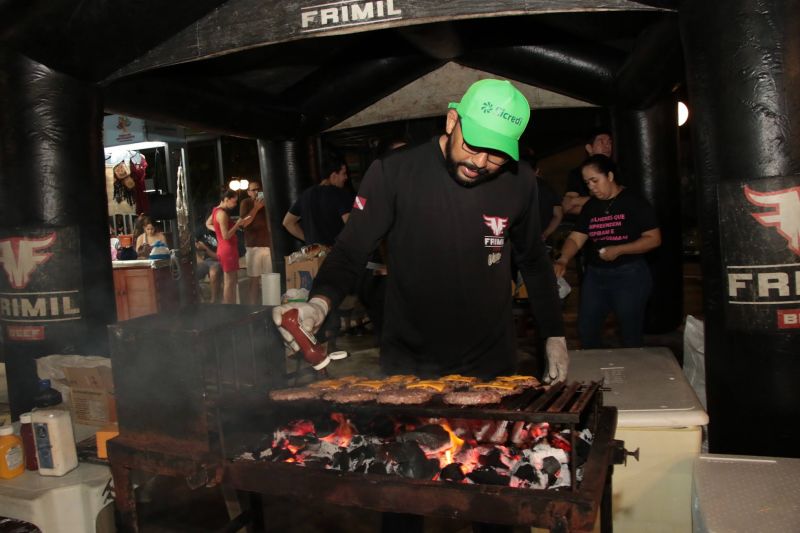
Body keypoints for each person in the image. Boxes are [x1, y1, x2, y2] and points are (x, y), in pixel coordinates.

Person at [273, 78, 568, 383]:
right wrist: (319, 304)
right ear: (452, 121)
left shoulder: (519, 181)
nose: (480, 162)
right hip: (411, 361)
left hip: (491, 359)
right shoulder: (394, 172)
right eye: (473, 144)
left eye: (497, 154)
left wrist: (554, 334)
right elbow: (350, 251)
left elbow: (533, 259)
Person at [553, 154, 661, 348]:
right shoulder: (591, 206)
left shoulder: (634, 201)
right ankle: (596, 367)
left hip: (630, 275)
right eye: (587, 183)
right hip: (596, 276)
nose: (591, 187)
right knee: (587, 329)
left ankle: (633, 366)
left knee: (630, 333)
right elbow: (576, 238)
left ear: (610, 176)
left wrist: (619, 249)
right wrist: (563, 259)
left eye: (595, 180)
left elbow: (654, 239)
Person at [281, 152, 353, 246]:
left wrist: (308, 240)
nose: (346, 177)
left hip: (314, 254)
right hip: (336, 252)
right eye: (344, 173)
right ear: (333, 175)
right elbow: (351, 224)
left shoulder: (306, 195)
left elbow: (288, 222)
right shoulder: (340, 194)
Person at [561, 128, 613, 217]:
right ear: (589, 148)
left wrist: (577, 201)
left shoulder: (616, 170)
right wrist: (602, 205)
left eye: (609, 142)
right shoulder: (576, 173)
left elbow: (618, 200)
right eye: (601, 142)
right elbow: (567, 206)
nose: (607, 146)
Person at [206, 190, 246, 304]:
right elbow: (226, 236)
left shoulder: (216, 210)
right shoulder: (222, 214)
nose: (235, 204)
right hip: (227, 249)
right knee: (229, 281)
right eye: (234, 201)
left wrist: (217, 230)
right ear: (226, 199)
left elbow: (208, 223)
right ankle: (228, 307)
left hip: (226, 248)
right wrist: (237, 224)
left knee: (232, 281)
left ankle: (231, 306)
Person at [239, 180, 272, 305]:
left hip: (268, 246)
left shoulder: (267, 202)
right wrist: (256, 208)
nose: (257, 192)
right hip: (253, 247)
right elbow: (244, 223)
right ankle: (252, 308)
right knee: (254, 280)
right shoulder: (246, 203)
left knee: (269, 279)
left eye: (258, 189)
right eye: (253, 190)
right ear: (248, 192)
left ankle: (268, 306)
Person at [195, 224, 222, 303]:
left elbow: (219, 258)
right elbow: (191, 244)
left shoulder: (222, 232)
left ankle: (213, 301)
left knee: (213, 272)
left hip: (219, 261)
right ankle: (201, 300)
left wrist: (205, 248)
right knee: (190, 272)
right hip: (206, 261)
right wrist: (199, 259)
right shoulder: (201, 229)